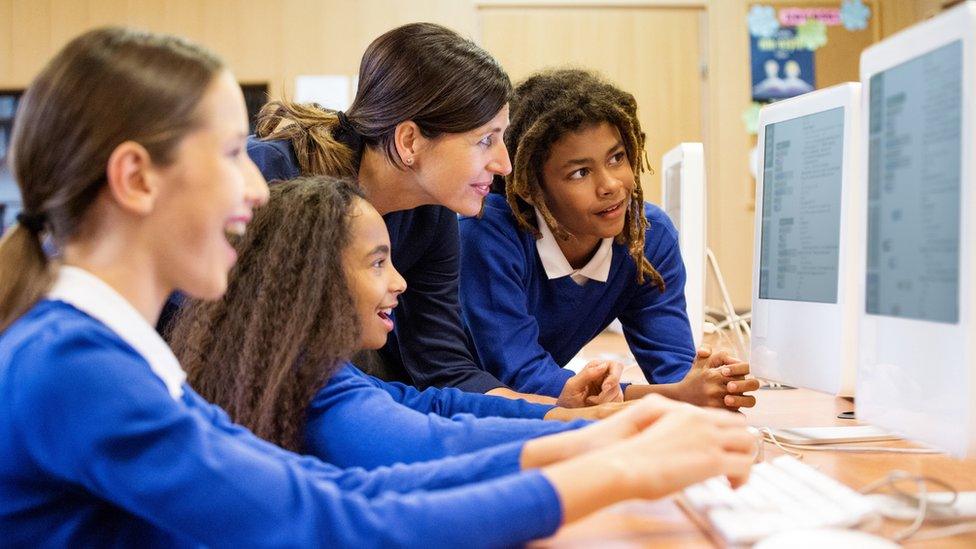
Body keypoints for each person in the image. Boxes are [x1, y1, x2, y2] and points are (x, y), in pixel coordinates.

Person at [0, 27, 755, 547]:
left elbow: (337, 480)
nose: (258, 190)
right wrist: (611, 463)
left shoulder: (99, 353)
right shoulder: (78, 368)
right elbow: (326, 520)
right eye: (232, 152)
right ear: (135, 178)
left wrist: (595, 439)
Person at [246, 22, 623, 410]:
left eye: (502, 139)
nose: (505, 164)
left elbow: (444, 368)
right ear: (410, 141)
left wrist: (551, 408)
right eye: (484, 141)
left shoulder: (433, 217)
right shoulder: (269, 179)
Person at [172, 176, 595, 468]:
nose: (400, 282)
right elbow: (431, 444)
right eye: (377, 263)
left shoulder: (307, 367)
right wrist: (596, 440)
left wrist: (561, 417)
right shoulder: (310, 386)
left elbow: (430, 405)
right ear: (315, 277)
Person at [459, 69, 760, 409]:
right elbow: (521, 374)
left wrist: (707, 386)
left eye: (617, 158)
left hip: (534, 413)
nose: (611, 185)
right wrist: (669, 396)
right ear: (529, 186)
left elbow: (674, 371)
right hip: (453, 406)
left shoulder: (647, 235)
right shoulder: (488, 232)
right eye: (580, 173)